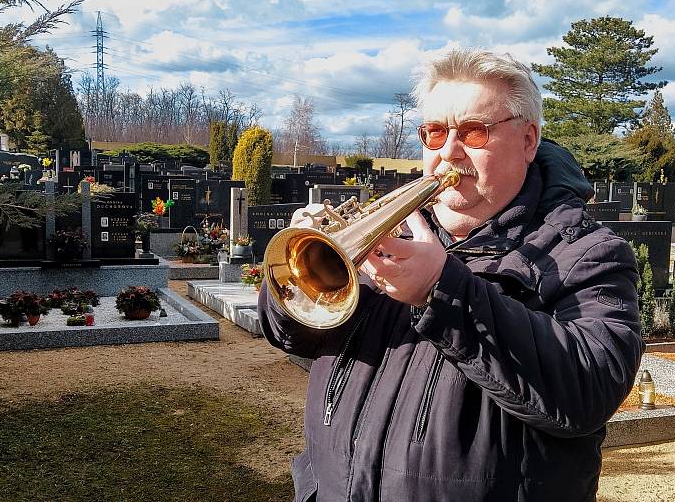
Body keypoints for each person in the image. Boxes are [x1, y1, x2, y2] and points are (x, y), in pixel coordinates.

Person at [258, 48, 643, 502]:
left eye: (474, 132)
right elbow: (288, 336)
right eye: (435, 132)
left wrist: (441, 290)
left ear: (527, 141)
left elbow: (590, 389)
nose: (448, 151)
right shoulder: (382, 228)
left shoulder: (589, 252)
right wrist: (297, 274)